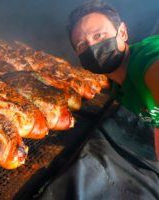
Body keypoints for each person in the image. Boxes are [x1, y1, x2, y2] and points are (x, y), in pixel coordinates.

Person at [66, 0, 159, 159]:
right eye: (82, 44)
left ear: (122, 32)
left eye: (99, 35)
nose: (92, 47)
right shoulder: (117, 87)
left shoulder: (145, 59)